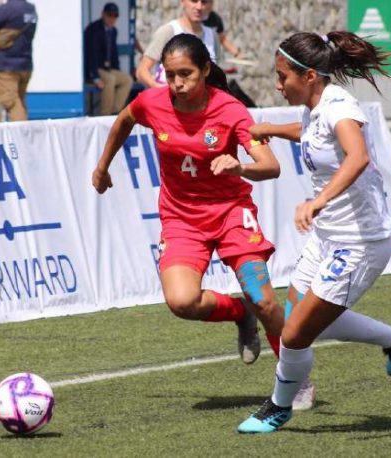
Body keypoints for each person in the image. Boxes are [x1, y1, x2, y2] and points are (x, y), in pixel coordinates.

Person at [237, 31, 391, 434]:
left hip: (359, 243)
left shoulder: (339, 105)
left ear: (308, 76)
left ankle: (278, 406)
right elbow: (312, 135)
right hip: (327, 237)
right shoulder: (315, 104)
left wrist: (317, 202)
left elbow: (357, 156)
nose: (277, 83)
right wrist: (270, 127)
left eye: (282, 75)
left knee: (295, 332)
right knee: (301, 316)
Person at [92, 34, 286, 371]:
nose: (177, 83)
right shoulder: (152, 103)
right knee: (182, 302)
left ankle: (294, 378)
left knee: (265, 301)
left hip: (231, 213)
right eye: (170, 75)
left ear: (206, 69)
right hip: (181, 218)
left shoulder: (229, 109)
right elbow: (124, 120)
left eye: (186, 74)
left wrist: (239, 166)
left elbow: (271, 166)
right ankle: (240, 314)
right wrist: (102, 166)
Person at [136, 0, 219, 88]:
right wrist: (161, 90)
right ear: (183, 1)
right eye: (194, 1)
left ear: (211, 5)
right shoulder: (169, 31)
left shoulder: (212, 36)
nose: (199, 7)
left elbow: (216, 74)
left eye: (204, 2)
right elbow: (141, 71)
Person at [84, 2, 134, 115]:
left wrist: (117, 69)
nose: (112, 18)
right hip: (94, 69)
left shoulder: (113, 31)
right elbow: (91, 54)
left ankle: (115, 112)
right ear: (103, 14)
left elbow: (114, 53)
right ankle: (105, 114)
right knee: (110, 80)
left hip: (107, 68)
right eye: (109, 15)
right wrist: (95, 77)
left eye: (115, 16)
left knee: (127, 79)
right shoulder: (93, 29)